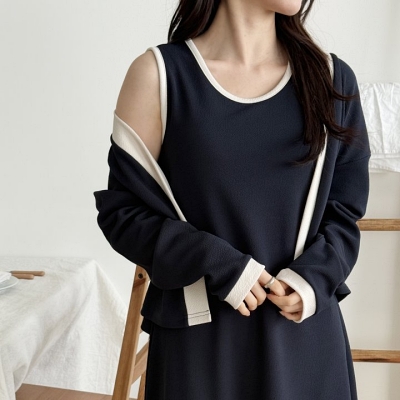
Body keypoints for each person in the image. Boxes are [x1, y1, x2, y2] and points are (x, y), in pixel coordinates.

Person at [94, 0, 371, 399]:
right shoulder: (159, 76)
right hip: (200, 351)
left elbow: (345, 212)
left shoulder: (330, 79)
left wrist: (314, 278)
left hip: (306, 344)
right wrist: (216, 262)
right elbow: (122, 213)